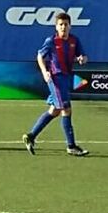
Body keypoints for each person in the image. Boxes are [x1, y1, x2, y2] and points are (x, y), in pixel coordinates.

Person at [22, 11, 90, 157]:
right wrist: (44, 71)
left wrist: (82, 59)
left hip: (66, 78)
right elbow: (40, 55)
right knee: (66, 109)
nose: (63, 27)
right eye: (60, 25)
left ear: (70, 26)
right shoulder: (51, 41)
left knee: (55, 110)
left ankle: (31, 136)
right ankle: (71, 146)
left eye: (66, 24)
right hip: (55, 79)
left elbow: (83, 56)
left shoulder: (74, 40)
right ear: (56, 27)